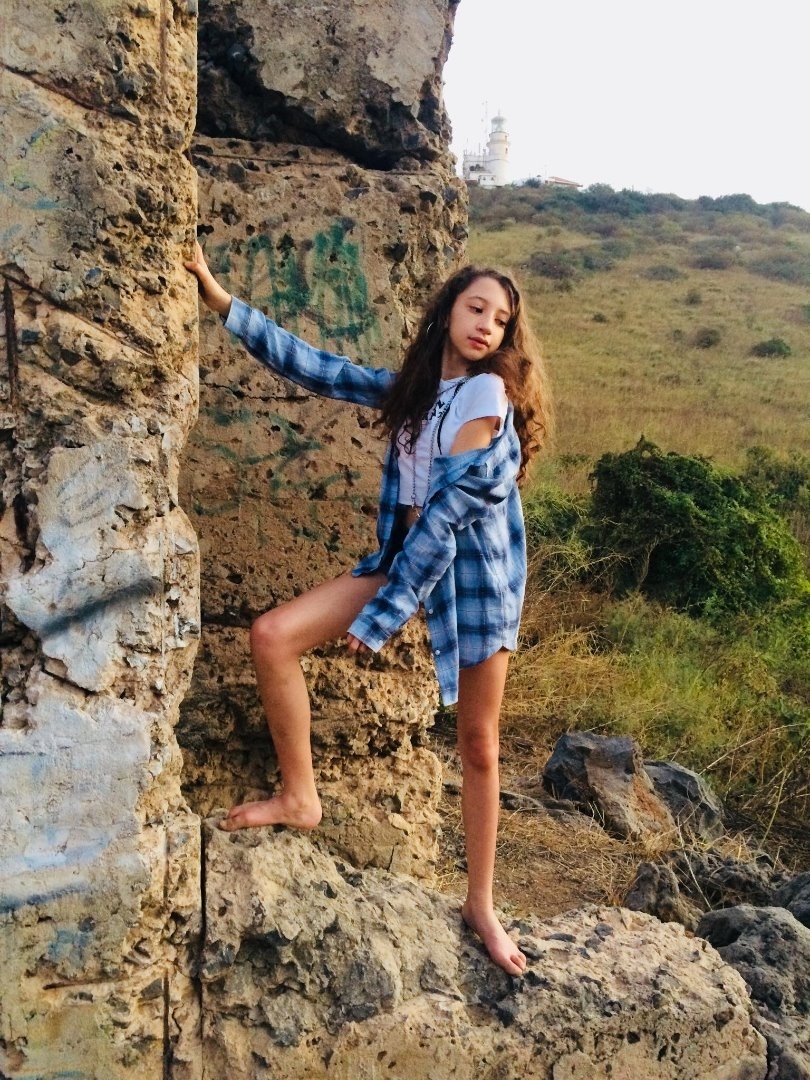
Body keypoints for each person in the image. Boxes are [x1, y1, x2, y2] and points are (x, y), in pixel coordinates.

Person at [184, 241, 551, 976]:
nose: (486, 325)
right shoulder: (416, 393)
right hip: (402, 562)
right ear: (447, 313)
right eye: (476, 308)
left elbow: (445, 519)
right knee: (272, 636)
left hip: (476, 580)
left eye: (501, 320)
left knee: (479, 743)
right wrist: (221, 301)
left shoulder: (487, 397)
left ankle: (481, 903)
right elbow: (321, 369)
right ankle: (300, 796)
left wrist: (382, 616)